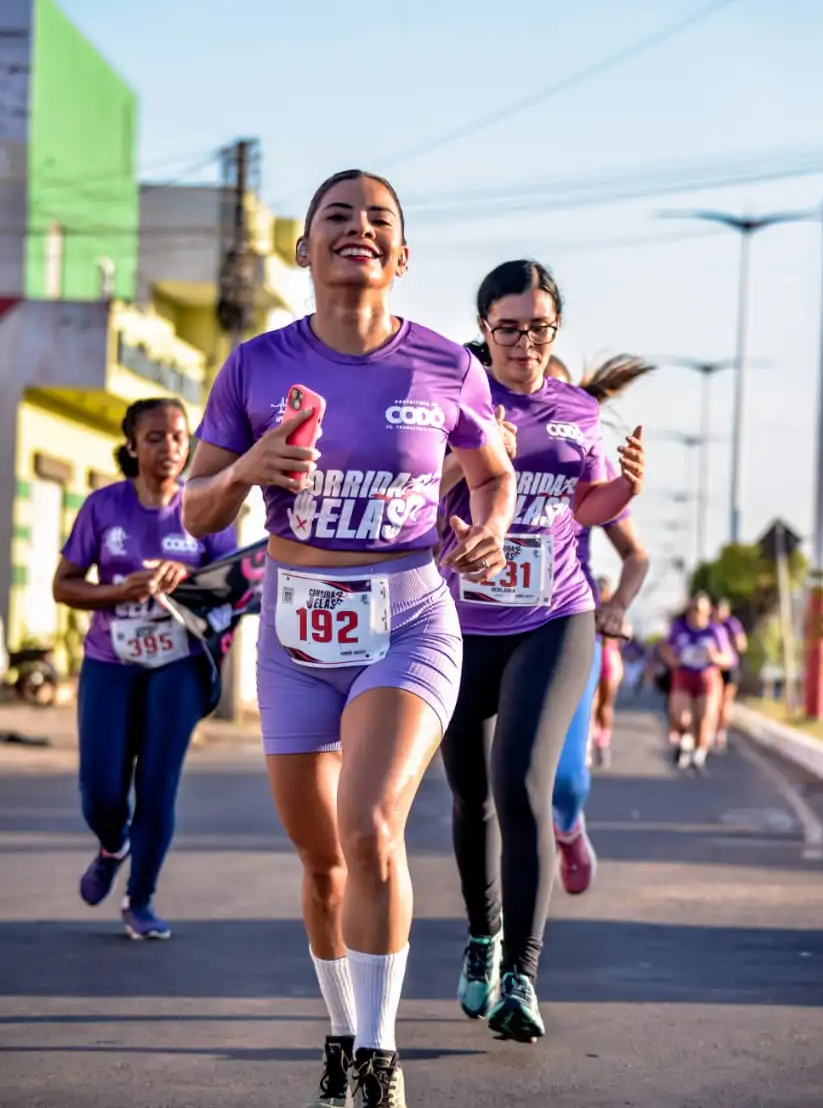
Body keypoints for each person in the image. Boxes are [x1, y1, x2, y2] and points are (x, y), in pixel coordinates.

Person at [182, 169, 515, 1108]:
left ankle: (377, 1054)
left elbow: (492, 473)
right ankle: (339, 1030)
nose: (358, 229)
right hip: (293, 631)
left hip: (408, 619)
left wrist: (486, 522)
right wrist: (250, 465)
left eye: (379, 221)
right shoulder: (252, 365)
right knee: (322, 860)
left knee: (370, 828)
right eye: (337, 216)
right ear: (304, 247)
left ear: (402, 258)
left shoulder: (447, 366)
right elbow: (197, 506)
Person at [438, 260, 645, 1043]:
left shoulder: (575, 408)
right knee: (471, 799)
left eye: (541, 328)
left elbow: (586, 505)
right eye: (511, 328)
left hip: (555, 614)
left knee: (522, 786)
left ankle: (522, 975)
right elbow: (418, 503)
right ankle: (483, 936)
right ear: (485, 326)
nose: (527, 342)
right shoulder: (451, 398)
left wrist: (624, 487)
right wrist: (467, 468)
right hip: (459, 623)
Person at [52, 398, 238, 940]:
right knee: (102, 790)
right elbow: (63, 585)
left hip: (177, 664)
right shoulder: (103, 507)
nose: (170, 448)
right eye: (155, 437)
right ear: (133, 446)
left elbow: (237, 584)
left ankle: (141, 899)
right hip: (111, 661)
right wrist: (118, 591)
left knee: (157, 786)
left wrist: (190, 576)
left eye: (179, 437)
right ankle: (114, 843)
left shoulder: (205, 508)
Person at [546, 355, 652, 894]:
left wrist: (617, 607)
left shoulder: (587, 464)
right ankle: (493, 926)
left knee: (563, 779)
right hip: (486, 626)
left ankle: (568, 824)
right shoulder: (481, 446)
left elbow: (635, 555)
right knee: (488, 789)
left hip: (568, 625)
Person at [660, 592, 730, 772]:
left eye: (698, 610)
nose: (694, 613)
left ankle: (698, 755)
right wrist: (672, 660)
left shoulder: (715, 631)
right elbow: (665, 649)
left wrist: (715, 657)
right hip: (684, 676)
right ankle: (687, 742)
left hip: (707, 678)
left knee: (704, 718)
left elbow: (728, 658)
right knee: (683, 718)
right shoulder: (679, 628)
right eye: (691, 609)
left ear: (707, 611)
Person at [712, 597, 748, 751]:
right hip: (713, 667)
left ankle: (720, 731)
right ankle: (712, 730)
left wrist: (728, 648)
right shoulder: (709, 624)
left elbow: (742, 645)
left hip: (729, 666)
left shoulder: (732, 624)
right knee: (714, 700)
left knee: (726, 701)